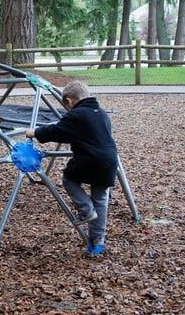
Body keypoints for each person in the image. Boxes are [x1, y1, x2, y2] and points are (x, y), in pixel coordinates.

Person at [25, 81, 118, 257]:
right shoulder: (102, 113)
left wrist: (35, 133)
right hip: (110, 160)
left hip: (89, 159)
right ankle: (98, 243)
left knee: (69, 179)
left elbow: (57, 131)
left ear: (69, 101)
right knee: (100, 199)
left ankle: (85, 209)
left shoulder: (76, 114)